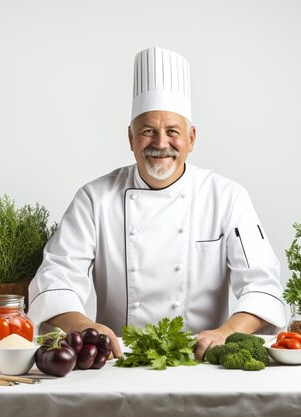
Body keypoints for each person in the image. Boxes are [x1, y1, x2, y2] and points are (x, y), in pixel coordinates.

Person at [28, 47, 285, 360]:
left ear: (191, 138)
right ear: (131, 138)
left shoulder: (228, 197)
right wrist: (84, 326)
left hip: (204, 361)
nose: (161, 144)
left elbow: (262, 284)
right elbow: (56, 277)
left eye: (172, 132)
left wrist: (227, 333)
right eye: (148, 131)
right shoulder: (94, 199)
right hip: (117, 361)